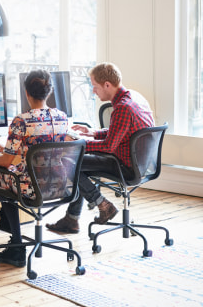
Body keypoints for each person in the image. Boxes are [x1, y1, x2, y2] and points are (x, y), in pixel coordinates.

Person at [0, 69, 72, 267]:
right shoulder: (61, 117)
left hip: (31, 187)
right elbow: (44, 149)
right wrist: (11, 148)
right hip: (59, 184)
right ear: (49, 92)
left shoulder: (22, 121)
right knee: (12, 175)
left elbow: (6, 162)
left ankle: (16, 245)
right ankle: (9, 229)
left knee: (2, 178)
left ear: (26, 92)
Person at [46, 62, 154, 234]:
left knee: (69, 162)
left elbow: (109, 147)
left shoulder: (123, 108)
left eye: (95, 87)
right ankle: (72, 219)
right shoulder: (134, 98)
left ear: (107, 85)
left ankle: (103, 205)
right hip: (141, 163)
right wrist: (92, 133)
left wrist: (77, 143)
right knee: (78, 164)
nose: (93, 91)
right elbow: (121, 132)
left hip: (125, 166)